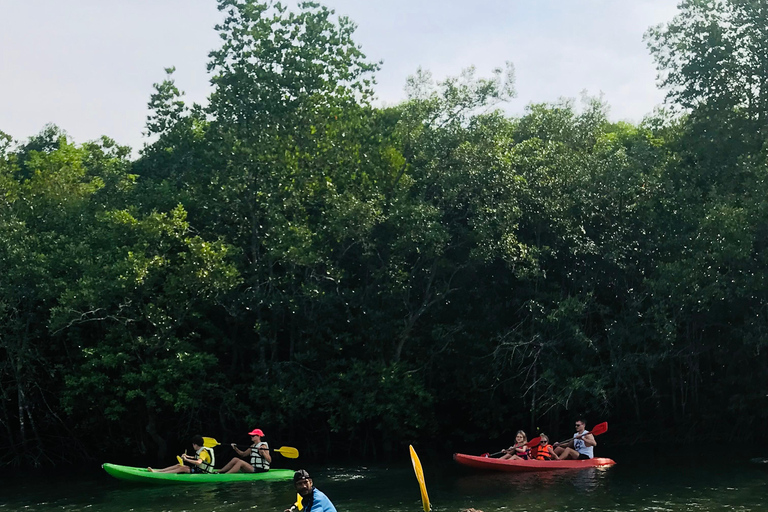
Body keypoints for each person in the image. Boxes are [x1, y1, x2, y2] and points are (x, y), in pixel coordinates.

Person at [148, 435, 216, 473]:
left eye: (193, 444)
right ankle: (158, 471)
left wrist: (186, 460)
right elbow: (198, 458)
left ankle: (160, 474)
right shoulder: (202, 451)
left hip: (204, 473)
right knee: (179, 465)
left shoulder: (203, 452)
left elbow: (198, 462)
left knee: (183, 468)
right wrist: (188, 456)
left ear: (195, 444)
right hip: (199, 470)